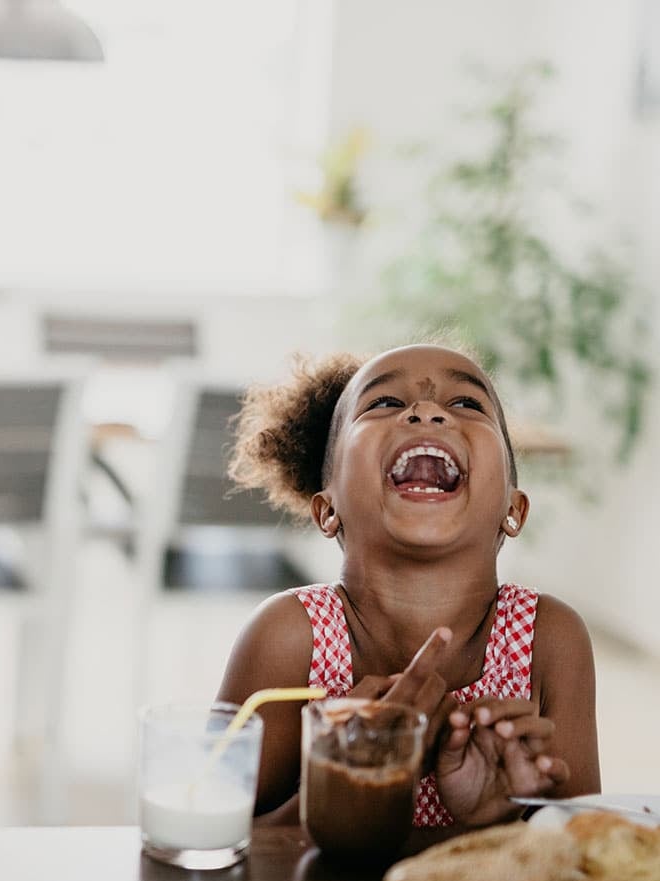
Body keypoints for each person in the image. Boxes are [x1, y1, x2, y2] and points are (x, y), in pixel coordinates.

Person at [217, 340, 601, 842]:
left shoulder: (550, 639)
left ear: (514, 508)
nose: (426, 411)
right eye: (384, 403)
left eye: (466, 403)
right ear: (327, 509)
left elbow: (590, 851)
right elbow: (204, 840)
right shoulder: (289, 637)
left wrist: (502, 818)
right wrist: (356, 778)